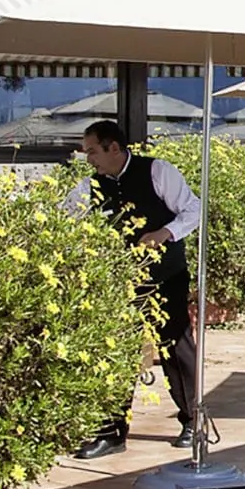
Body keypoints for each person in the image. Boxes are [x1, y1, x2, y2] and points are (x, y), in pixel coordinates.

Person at [62, 119, 204, 459]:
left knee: (175, 346)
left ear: (114, 148)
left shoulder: (158, 171)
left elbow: (194, 209)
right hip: (118, 281)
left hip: (165, 275)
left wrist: (164, 233)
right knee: (116, 352)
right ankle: (110, 433)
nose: (89, 159)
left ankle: (193, 420)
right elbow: (64, 218)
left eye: (93, 151)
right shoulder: (88, 187)